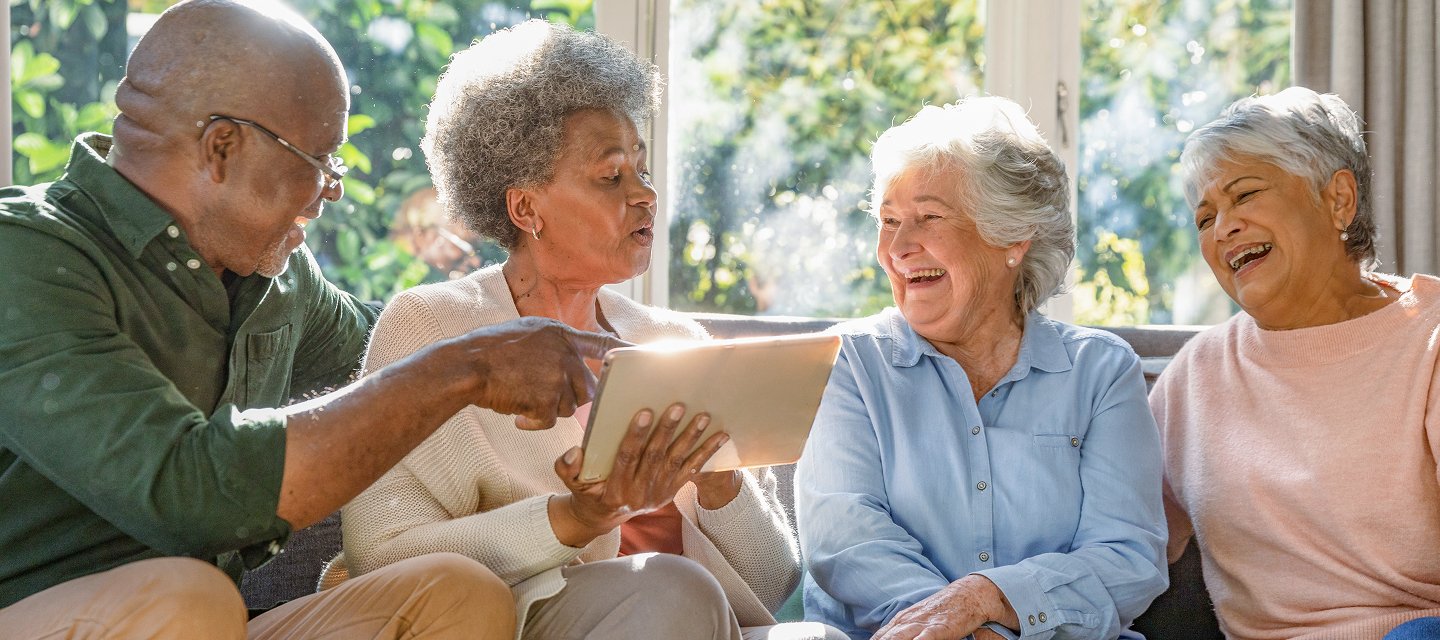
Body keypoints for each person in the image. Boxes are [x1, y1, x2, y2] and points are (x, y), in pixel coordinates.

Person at [0, 2, 622, 637]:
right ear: (222, 147)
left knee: (454, 592)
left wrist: (594, 335)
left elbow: (406, 344)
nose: (334, 189)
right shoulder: (22, 255)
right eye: (323, 158)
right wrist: (471, 366)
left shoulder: (275, 278)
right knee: (191, 599)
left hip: (211, 621)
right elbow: (189, 493)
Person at [331, 20, 841, 640]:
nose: (645, 194)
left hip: (688, 619)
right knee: (669, 587)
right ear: (525, 208)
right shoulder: (434, 326)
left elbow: (773, 588)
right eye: (612, 177)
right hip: (515, 623)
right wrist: (573, 518)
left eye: (642, 171)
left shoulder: (675, 341)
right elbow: (380, 553)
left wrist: (720, 484)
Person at [796, 97, 1169, 640]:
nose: (898, 247)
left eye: (928, 217)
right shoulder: (845, 361)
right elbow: (847, 543)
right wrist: (964, 630)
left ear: (1013, 237)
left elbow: (1128, 558)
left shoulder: (1100, 371)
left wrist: (990, 600)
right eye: (889, 221)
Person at [1155, 86, 1440, 638]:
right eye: (1204, 218)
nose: (1223, 229)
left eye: (1245, 195)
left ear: (1337, 200)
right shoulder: (1197, 375)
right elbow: (1120, 539)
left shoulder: (1428, 342)